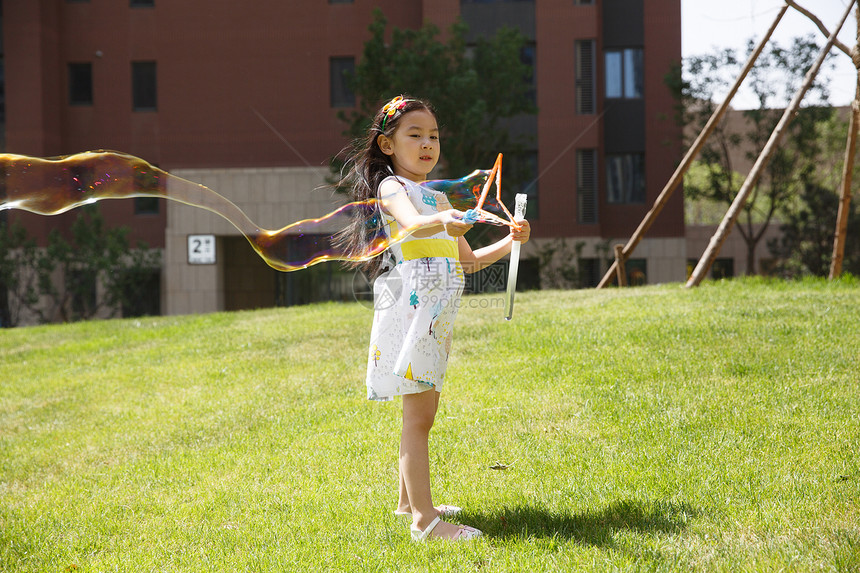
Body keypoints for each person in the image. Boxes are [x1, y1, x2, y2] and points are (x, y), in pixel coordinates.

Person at [335, 95, 530, 541]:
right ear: (387, 145)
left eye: (434, 136)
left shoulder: (437, 195)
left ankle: (409, 504)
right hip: (415, 308)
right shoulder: (392, 189)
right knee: (419, 417)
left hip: (436, 312)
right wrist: (444, 218)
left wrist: (513, 242)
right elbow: (409, 225)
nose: (427, 144)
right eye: (415, 135)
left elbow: (469, 262)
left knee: (422, 410)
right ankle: (426, 523)